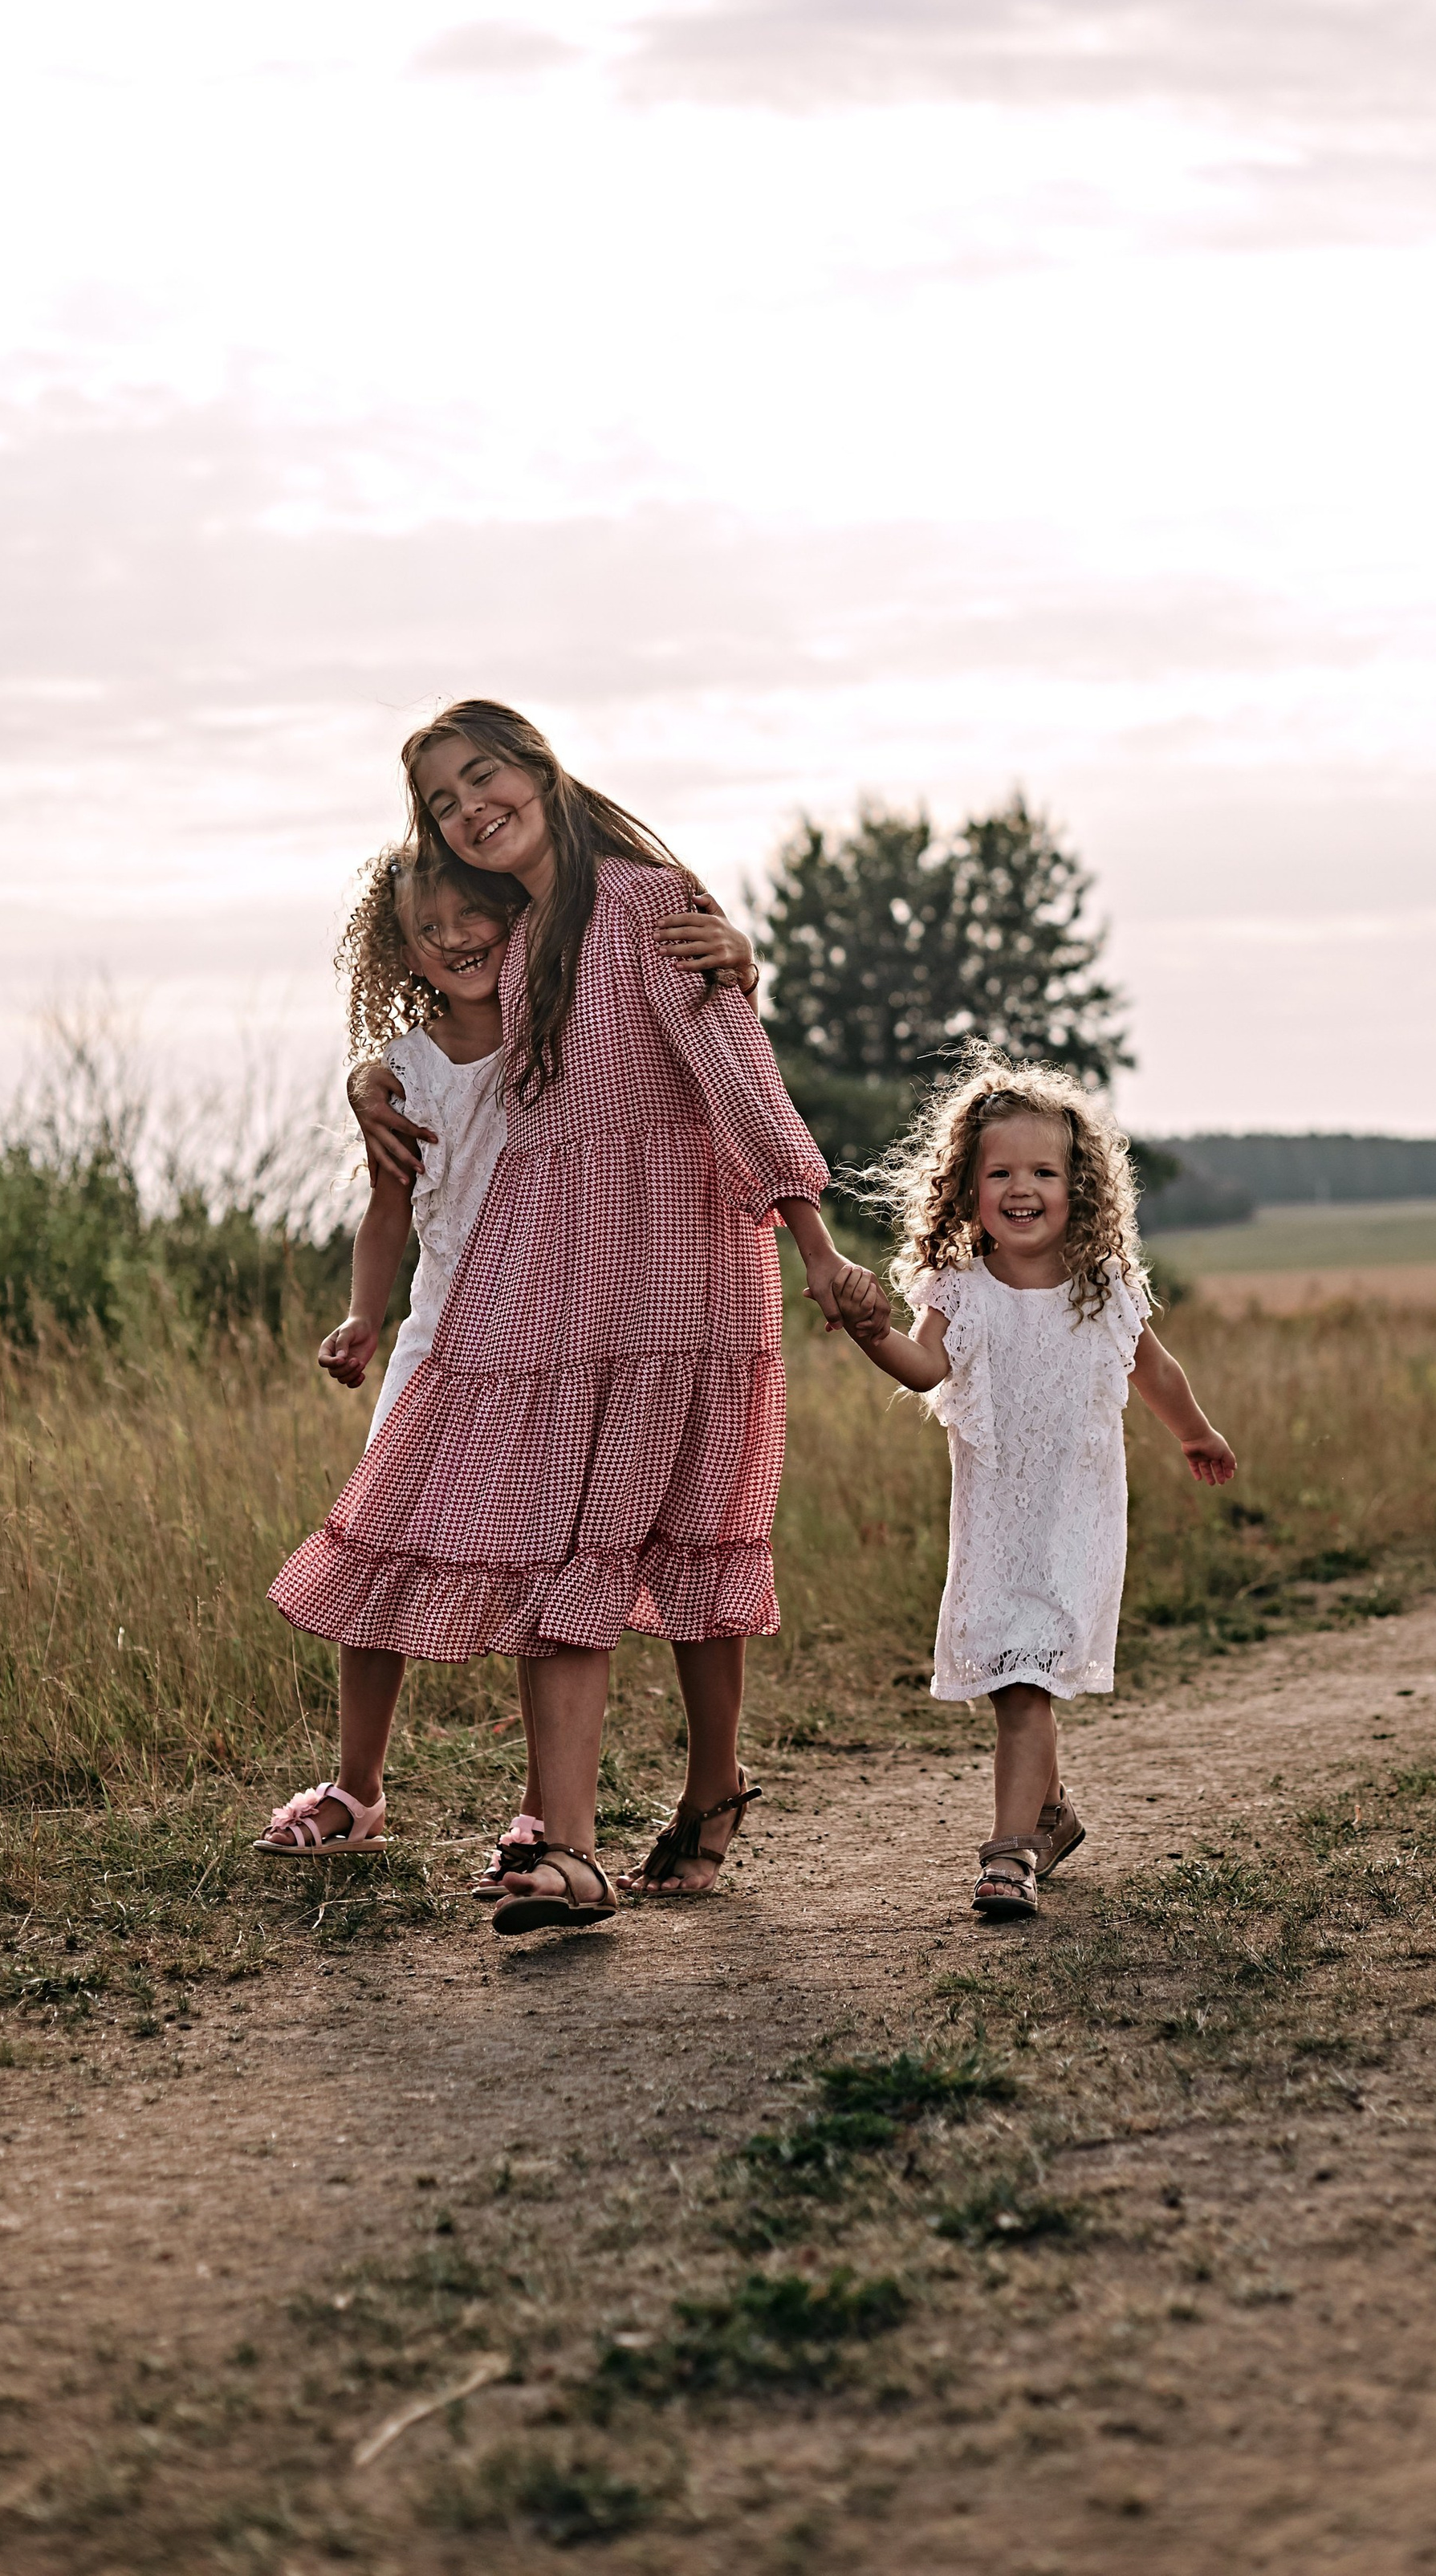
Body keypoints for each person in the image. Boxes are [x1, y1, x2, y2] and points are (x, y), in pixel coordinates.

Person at [269, 699, 884, 1927]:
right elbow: (455, 1057)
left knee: (694, 1530)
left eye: (480, 776)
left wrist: (812, 1237)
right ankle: (569, 1846)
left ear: (541, 769)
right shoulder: (515, 928)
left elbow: (735, 1069)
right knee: (561, 1529)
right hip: (551, 1261)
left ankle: (713, 1786)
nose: (465, 808)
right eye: (440, 801)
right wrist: (367, 1072)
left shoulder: (650, 901)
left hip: (676, 1251)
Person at [253, 839, 753, 1860]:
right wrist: (362, 1313)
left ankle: (545, 1810)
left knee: (549, 1563)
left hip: (567, 1327)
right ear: (401, 955)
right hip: (445, 1332)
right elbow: (387, 1210)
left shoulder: (563, 1030)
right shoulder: (408, 1070)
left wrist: (740, 956)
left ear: (518, 917)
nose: (452, 942)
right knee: (381, 1541)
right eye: (425, 934)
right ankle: (357, 1788)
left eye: (467, 919)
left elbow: (682, 1026)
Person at [844, 1052, 1237, 1921]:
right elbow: (922, 1366)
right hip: (995, 1522)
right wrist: (871, 1328)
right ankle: (1050, 1815)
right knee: (1015, 1678)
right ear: (966, 1187)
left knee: (1025, 1684)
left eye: (1044, 1171)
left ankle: (1009, 1853)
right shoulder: (959, 1287)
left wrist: (1195, 1432)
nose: (1022, 1189)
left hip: (1074, 1520)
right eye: (1000, 1173)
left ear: (1080, 1186)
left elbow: (1156, 1369)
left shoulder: (1103, 1289)